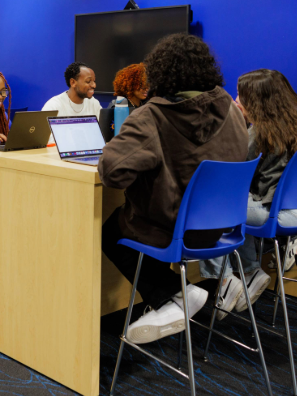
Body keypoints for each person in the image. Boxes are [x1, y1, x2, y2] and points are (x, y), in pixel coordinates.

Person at [99, 34, 249, 345]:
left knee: (114, 231)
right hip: (223, 230)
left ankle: (174, 296)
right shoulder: (232, 111)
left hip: (173, 230)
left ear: (159, 73)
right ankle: (202, 287)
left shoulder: (151, 117)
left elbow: (112, 172)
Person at [199, 69, 297, 320]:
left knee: (209, 207)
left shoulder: (260, 133)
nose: (236, 100)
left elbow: (229, 167)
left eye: (240, 96)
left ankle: (224, 279)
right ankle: (249, 272)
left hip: (275, 214)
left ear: (256, 101)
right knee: (240, 207)